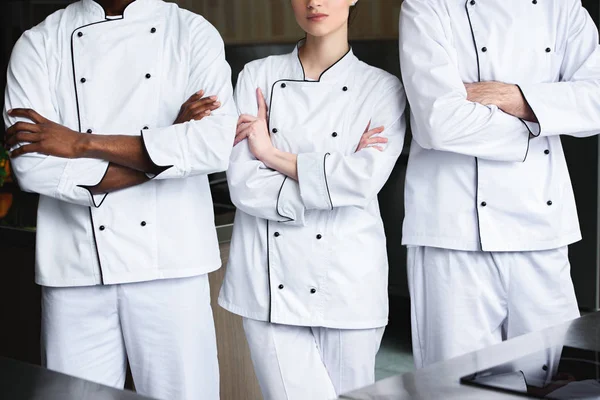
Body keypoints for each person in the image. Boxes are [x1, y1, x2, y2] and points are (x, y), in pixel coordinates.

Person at [3, 0, 237, 398]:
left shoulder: (192, 32)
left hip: (172, 266)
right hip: (75, 268)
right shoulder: (39, 43)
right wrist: (164, 147)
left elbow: (211, 146)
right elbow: (34, 167)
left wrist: (79, 144)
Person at [217, 1, 407, 398]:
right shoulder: (257, 75)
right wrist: (329, 179)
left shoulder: (383, 88)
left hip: (349, 280)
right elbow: (244, 183)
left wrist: (270, 156)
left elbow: (362, 181)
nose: (314, 3)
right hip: (269, 288)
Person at [399, 0, 600, 369]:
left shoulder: (563, 7)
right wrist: (538, 121)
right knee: (456, 386)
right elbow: (438, 122)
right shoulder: (427, 6)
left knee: (561, 380)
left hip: (541, 228)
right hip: (452, 233)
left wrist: (518, 98)